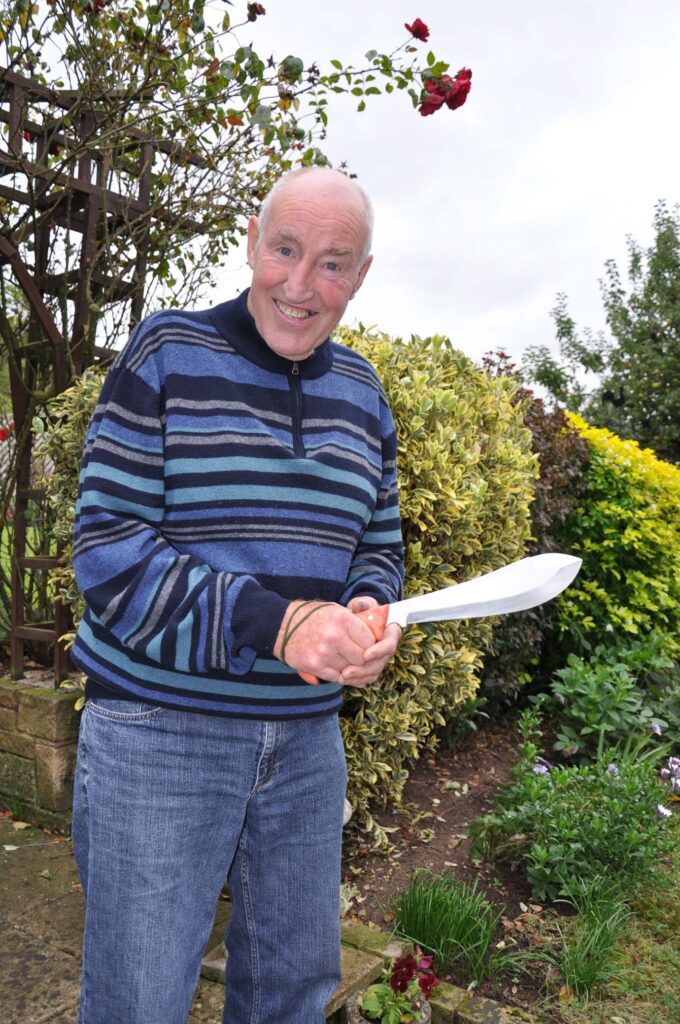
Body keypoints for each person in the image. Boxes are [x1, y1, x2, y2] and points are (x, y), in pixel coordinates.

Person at [70, 166, 404, 1024]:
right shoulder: (167, 354)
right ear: (253, 241)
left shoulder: (365, 396)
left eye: (332, 264)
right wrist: (280, 623)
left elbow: (378, 543)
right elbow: (107, 556)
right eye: (285, 250)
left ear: (360, 276)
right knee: (140, 1001)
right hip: (158, 736)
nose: (300, 284)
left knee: (292, 994)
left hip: (303, 744)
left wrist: (371, 611)